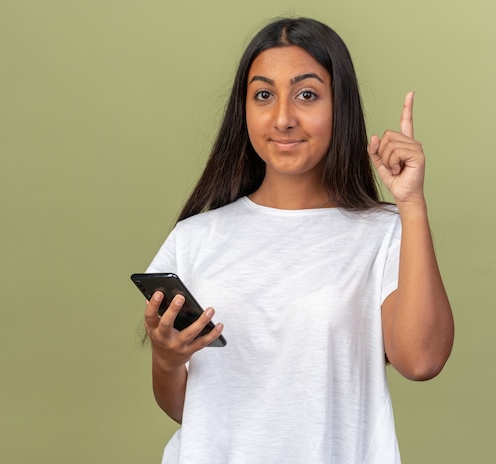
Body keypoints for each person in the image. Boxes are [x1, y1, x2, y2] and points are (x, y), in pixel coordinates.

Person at [142, 17, 454, 464]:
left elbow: (422, 361)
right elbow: (192, 413)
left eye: (307, 94)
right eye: (264, 95)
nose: (283, 117)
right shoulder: (194, 238)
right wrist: (166, 361)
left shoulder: (383, 232)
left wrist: (412, 204)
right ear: (244, 109)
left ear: (339, 106)